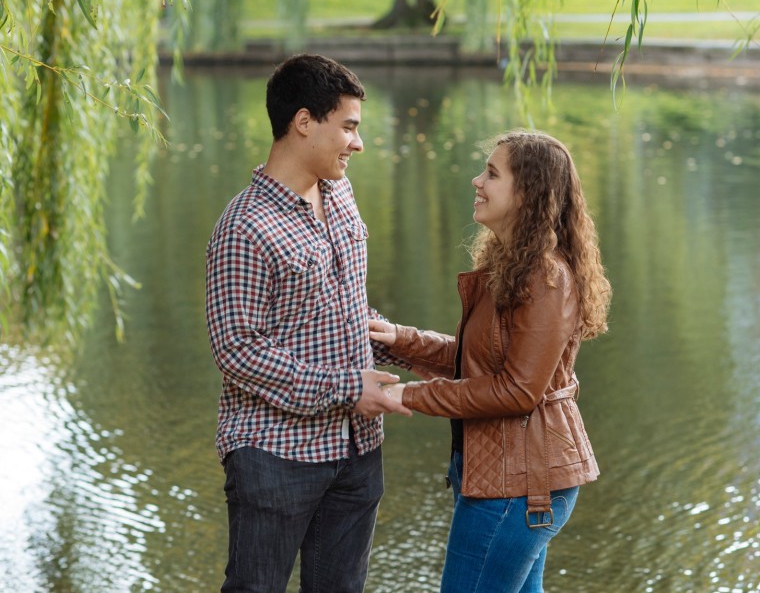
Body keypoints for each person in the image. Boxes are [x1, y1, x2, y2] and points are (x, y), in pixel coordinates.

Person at [369, 130, 612, 593]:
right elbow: (479, 362)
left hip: (520, 486)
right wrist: (401, 339)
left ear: (527, 195)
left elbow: (516, 390)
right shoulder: (512, 264)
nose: (477, 181)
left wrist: (405, 395)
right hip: (502, 475)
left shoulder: (546, 278)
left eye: (492, 174)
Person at [205, 53, 411, 593]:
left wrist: (412, 345)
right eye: (348, 127)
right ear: (303, 122)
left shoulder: (340, 192)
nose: (357, 143)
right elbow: (238, 350)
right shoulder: (244, 227)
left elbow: (342, 306)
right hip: (276, 456)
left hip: (358, 450)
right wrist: (348, 387)